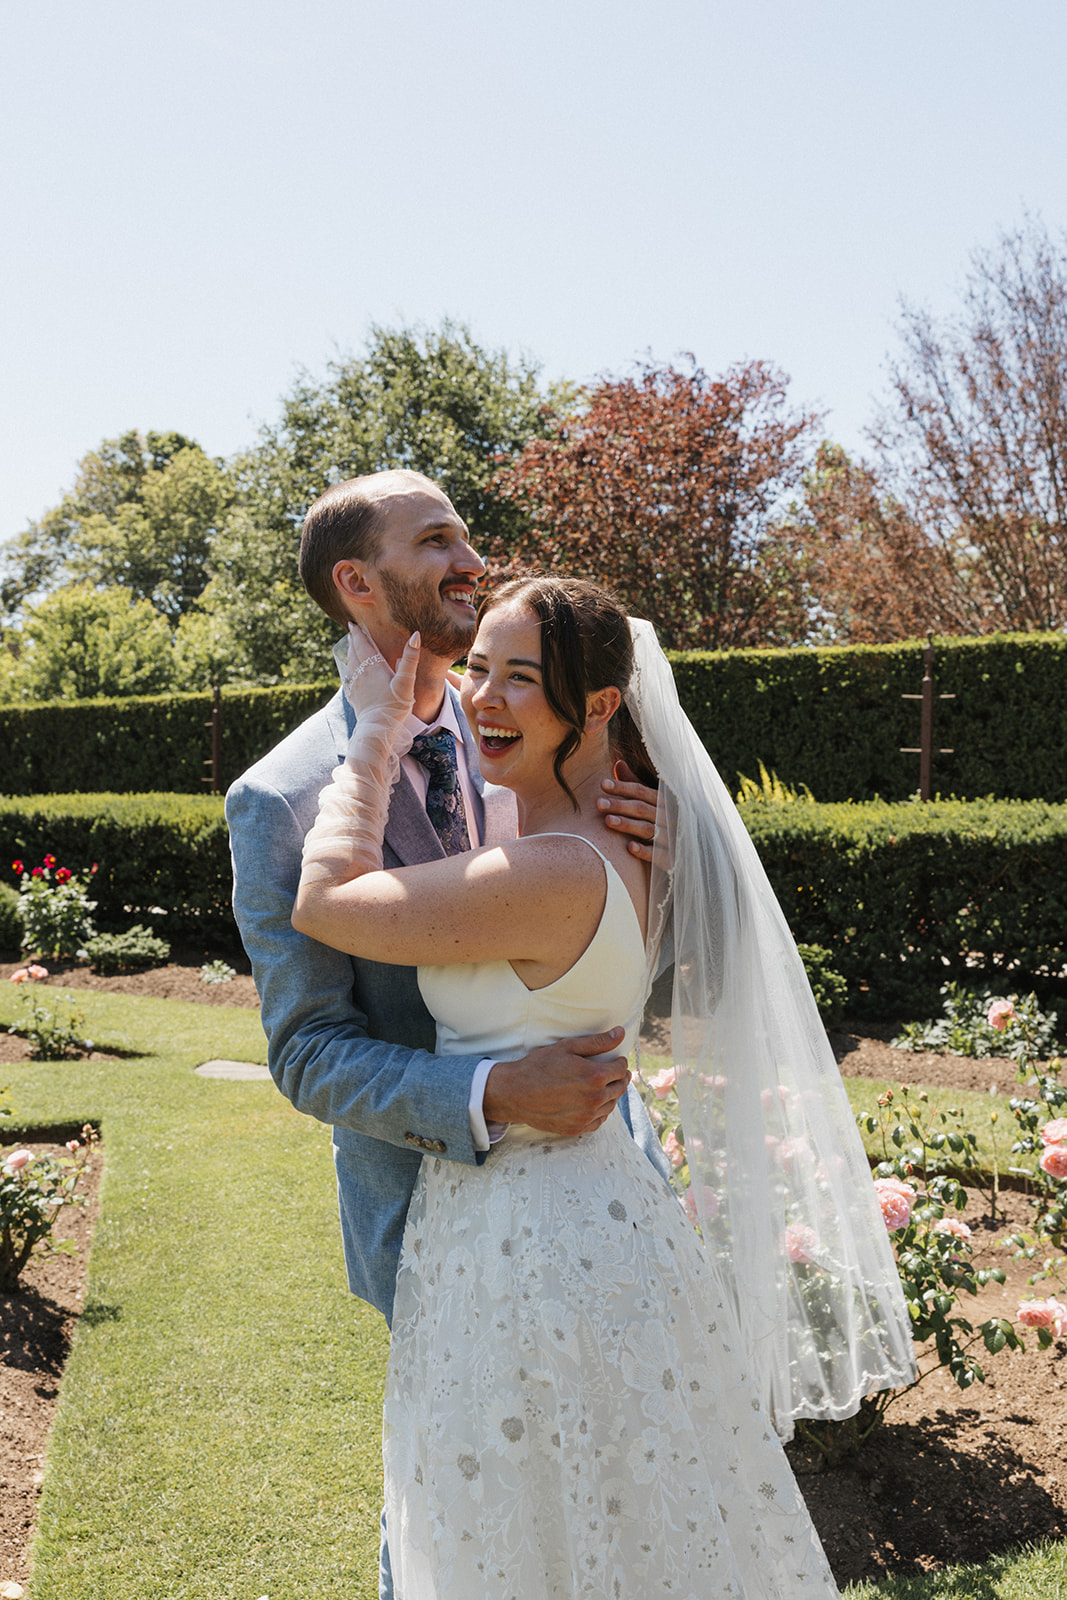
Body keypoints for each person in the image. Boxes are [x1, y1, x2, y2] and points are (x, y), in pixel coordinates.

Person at [293, 574, 916, 1598]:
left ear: (594, 707)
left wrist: (370, 730)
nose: (483, 698)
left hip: (523, 1244)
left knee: (535, 1521)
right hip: (585, 1213)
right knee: (610, 1517)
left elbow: (326, 900)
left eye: (520, 678)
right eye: (479, 668)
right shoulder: (623, 836)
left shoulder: (550, 871)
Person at [225, 472, 666, 1597]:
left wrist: (670, 851)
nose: (472, 557)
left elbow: (636, 947)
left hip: (606, 1194)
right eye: (437, 540)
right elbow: (308, 1048)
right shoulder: (282, 799)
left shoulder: (538, 731)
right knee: (456, 1523)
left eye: (467, 531)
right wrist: (488, 1098)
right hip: (436, 1215)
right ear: (357, 582)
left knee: (612, 1504)